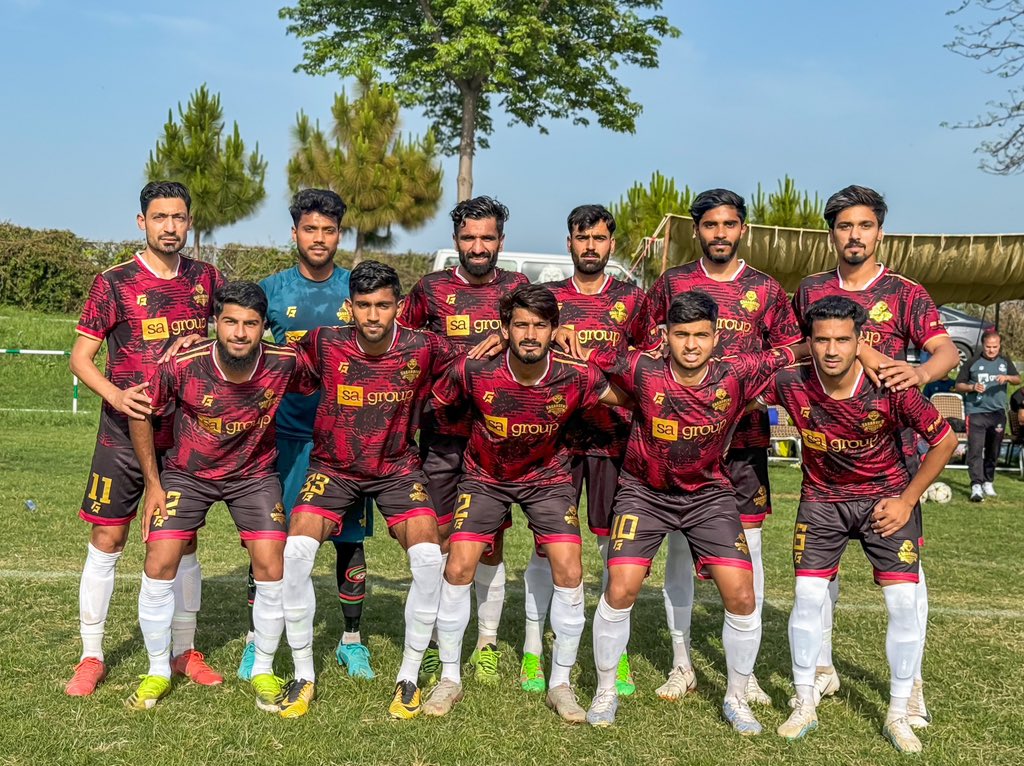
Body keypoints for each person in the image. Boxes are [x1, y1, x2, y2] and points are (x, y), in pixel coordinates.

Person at [585, 291, 803, 734]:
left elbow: (798, 348)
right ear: (664, 337)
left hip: (709, 496)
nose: (690, 344)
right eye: (681, 334)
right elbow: (577, 349)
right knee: (621, 586)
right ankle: (605, 690)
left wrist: (868, 352)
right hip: (643, 493)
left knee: (742, 594)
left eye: (700, 335)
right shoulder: (641, 368)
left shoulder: (739, 373)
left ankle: (736, 698)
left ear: (716, 336)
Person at [793, 185, 959, 722]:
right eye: (844, 226)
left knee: (907, 577)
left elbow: (946, 351)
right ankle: (819, 669)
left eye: (864, 226)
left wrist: (919, 373)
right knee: (821, 574)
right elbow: (802, 352)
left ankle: (909, 689)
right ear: (832, 233)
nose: (854, 235)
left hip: (894, 451)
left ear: (879, 232)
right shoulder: (811, 289)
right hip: (828, 453)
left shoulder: (905, 292)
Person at [632, 189, 803, 704]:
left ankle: (743, 675)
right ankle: (682, 664)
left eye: (729, 224)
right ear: (696, 231)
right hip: (680, 445)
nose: (720, 234)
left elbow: (794, 348)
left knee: (747, 551)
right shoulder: (672, 283)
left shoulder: (766, 289)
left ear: (742, 229)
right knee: (681, 547)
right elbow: (643, 345)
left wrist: (756, 387)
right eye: (710, 225)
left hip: (745, 441)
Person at [425, 284, 625, 722]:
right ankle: (449, 677)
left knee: (570, 568)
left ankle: (561, 684)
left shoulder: (578, 375)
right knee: (458, 565)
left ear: (554, 330)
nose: (530, 334)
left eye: (540, 325)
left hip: (548, 479)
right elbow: (430, 402)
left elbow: (630, 397)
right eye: (521, 325)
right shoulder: (475, 370)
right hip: (484, 477)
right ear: (505, 329)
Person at [765, 296, 956, 752]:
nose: (832, 350)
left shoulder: (890, 384)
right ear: (808, 343)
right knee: (808, 597)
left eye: (843, 340)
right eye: (822, 340)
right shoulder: (789, 382)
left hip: (885, 502)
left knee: (902, 605)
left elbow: (945, 440)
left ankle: (898, 712)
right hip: (822, 501)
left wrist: (908, 500)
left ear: (861, 341)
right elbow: (732, 389)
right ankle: (805, 701)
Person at [66, 181, 224, 696]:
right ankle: (92, 655)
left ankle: (184, 651)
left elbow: (230, 336)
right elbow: (81, 359)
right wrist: (116, 395)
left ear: (189, 222)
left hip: (184, 435)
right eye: (160, 218)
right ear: (142, 223)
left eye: (179, 218)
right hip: (121, 436)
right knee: (107, 539)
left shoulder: (207, 279)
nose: (170, 228)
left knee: (182, 541)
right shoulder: (113, 282)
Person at [281, 261, 455, 719]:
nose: (373, 316)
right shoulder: (324, 343)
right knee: (296, 552)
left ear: (399, 306)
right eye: (363, 306)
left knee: (428, 558)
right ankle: (303, 675)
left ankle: (409, 677)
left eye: (383, 305)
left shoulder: (425, 347)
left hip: (397, 468)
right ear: (349, 307)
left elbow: (478, 362)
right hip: (333, 467)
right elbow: (277, 369)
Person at [126, 282, 297, 710]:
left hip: (254, 476)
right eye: (231, 322)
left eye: (251, 324)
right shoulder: (184, 363)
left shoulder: (286, 362)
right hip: (188, 475)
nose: (240, 333)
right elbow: (141, 412)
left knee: (272, 562)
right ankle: (157, 670)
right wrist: (153, 484)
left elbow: (335, 359)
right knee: (160, 557)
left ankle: (263, 669)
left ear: (263, 327)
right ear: (215, 323)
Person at [236, 188, 375, 682]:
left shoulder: (356, 291)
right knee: (268, 539)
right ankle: (257, 639)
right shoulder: (270, 290)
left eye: (329, 230)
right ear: (294, 232)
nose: (320, 238)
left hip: (348, 440)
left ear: (340, 234)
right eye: (310, 229)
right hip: (285, 439)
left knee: (348, 541)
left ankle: (351, 641)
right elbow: (237, 345)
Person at [519, 204, 657, 696]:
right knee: (546, 549)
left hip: (616, 440)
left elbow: (649, 364)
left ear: (612, 243)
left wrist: (607, 359)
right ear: (569, 242)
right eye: (582, 238)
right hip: (556, 442)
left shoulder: (635, 301)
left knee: (611, 551)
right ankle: (534, 652)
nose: (591, 246)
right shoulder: (550, 299)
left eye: (600, 238)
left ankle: (612, 655)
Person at [398, 196, 528, 684]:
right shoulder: (429, 289)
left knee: (489, 542)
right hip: (439, 435)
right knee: (436, 540)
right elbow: (401, 350)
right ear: (456, 241)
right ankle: (431, 640)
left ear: (500, 240)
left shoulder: (517, 288)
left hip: (495, 437)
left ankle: (488, 642)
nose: (478, 246)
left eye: (487, 237)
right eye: (469, 237)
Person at [955, 330, 1019, 501]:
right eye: (988, 347)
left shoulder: (1005, 361)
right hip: (976, 411)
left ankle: (988, 481)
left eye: (995, 347)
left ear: (999, 346)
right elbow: (958, 385)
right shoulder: (972, 362)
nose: (991, 350)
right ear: (982, 345)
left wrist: (1007, 378)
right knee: (975, 449)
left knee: (993, 449)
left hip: (997, 412)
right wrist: (972, 387)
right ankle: (976, 484)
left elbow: (1017, 379)